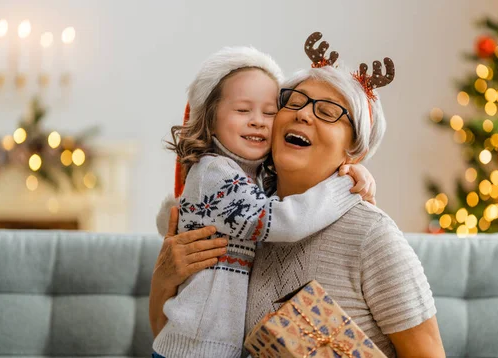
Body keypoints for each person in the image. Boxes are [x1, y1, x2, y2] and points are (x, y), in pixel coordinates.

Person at [150, 32, 446, 357]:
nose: (304, 114)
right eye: (293, 102)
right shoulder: (244, 215)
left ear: (354, 150)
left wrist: (346, 184)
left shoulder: (372, 235)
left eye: (329, 111)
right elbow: (168, 336)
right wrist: (164, 278)